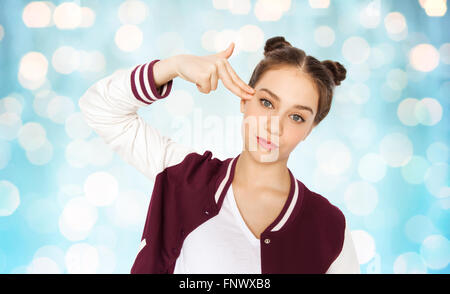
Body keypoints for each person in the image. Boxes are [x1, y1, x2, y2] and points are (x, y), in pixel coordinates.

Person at [78, 36, 360, 274]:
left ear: (310, 129)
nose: (274, 125)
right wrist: (173, 66)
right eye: (266, 102)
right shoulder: (183, 176)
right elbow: (99, 108)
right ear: (243, 99)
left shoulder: (329, 228)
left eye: (297, 117)